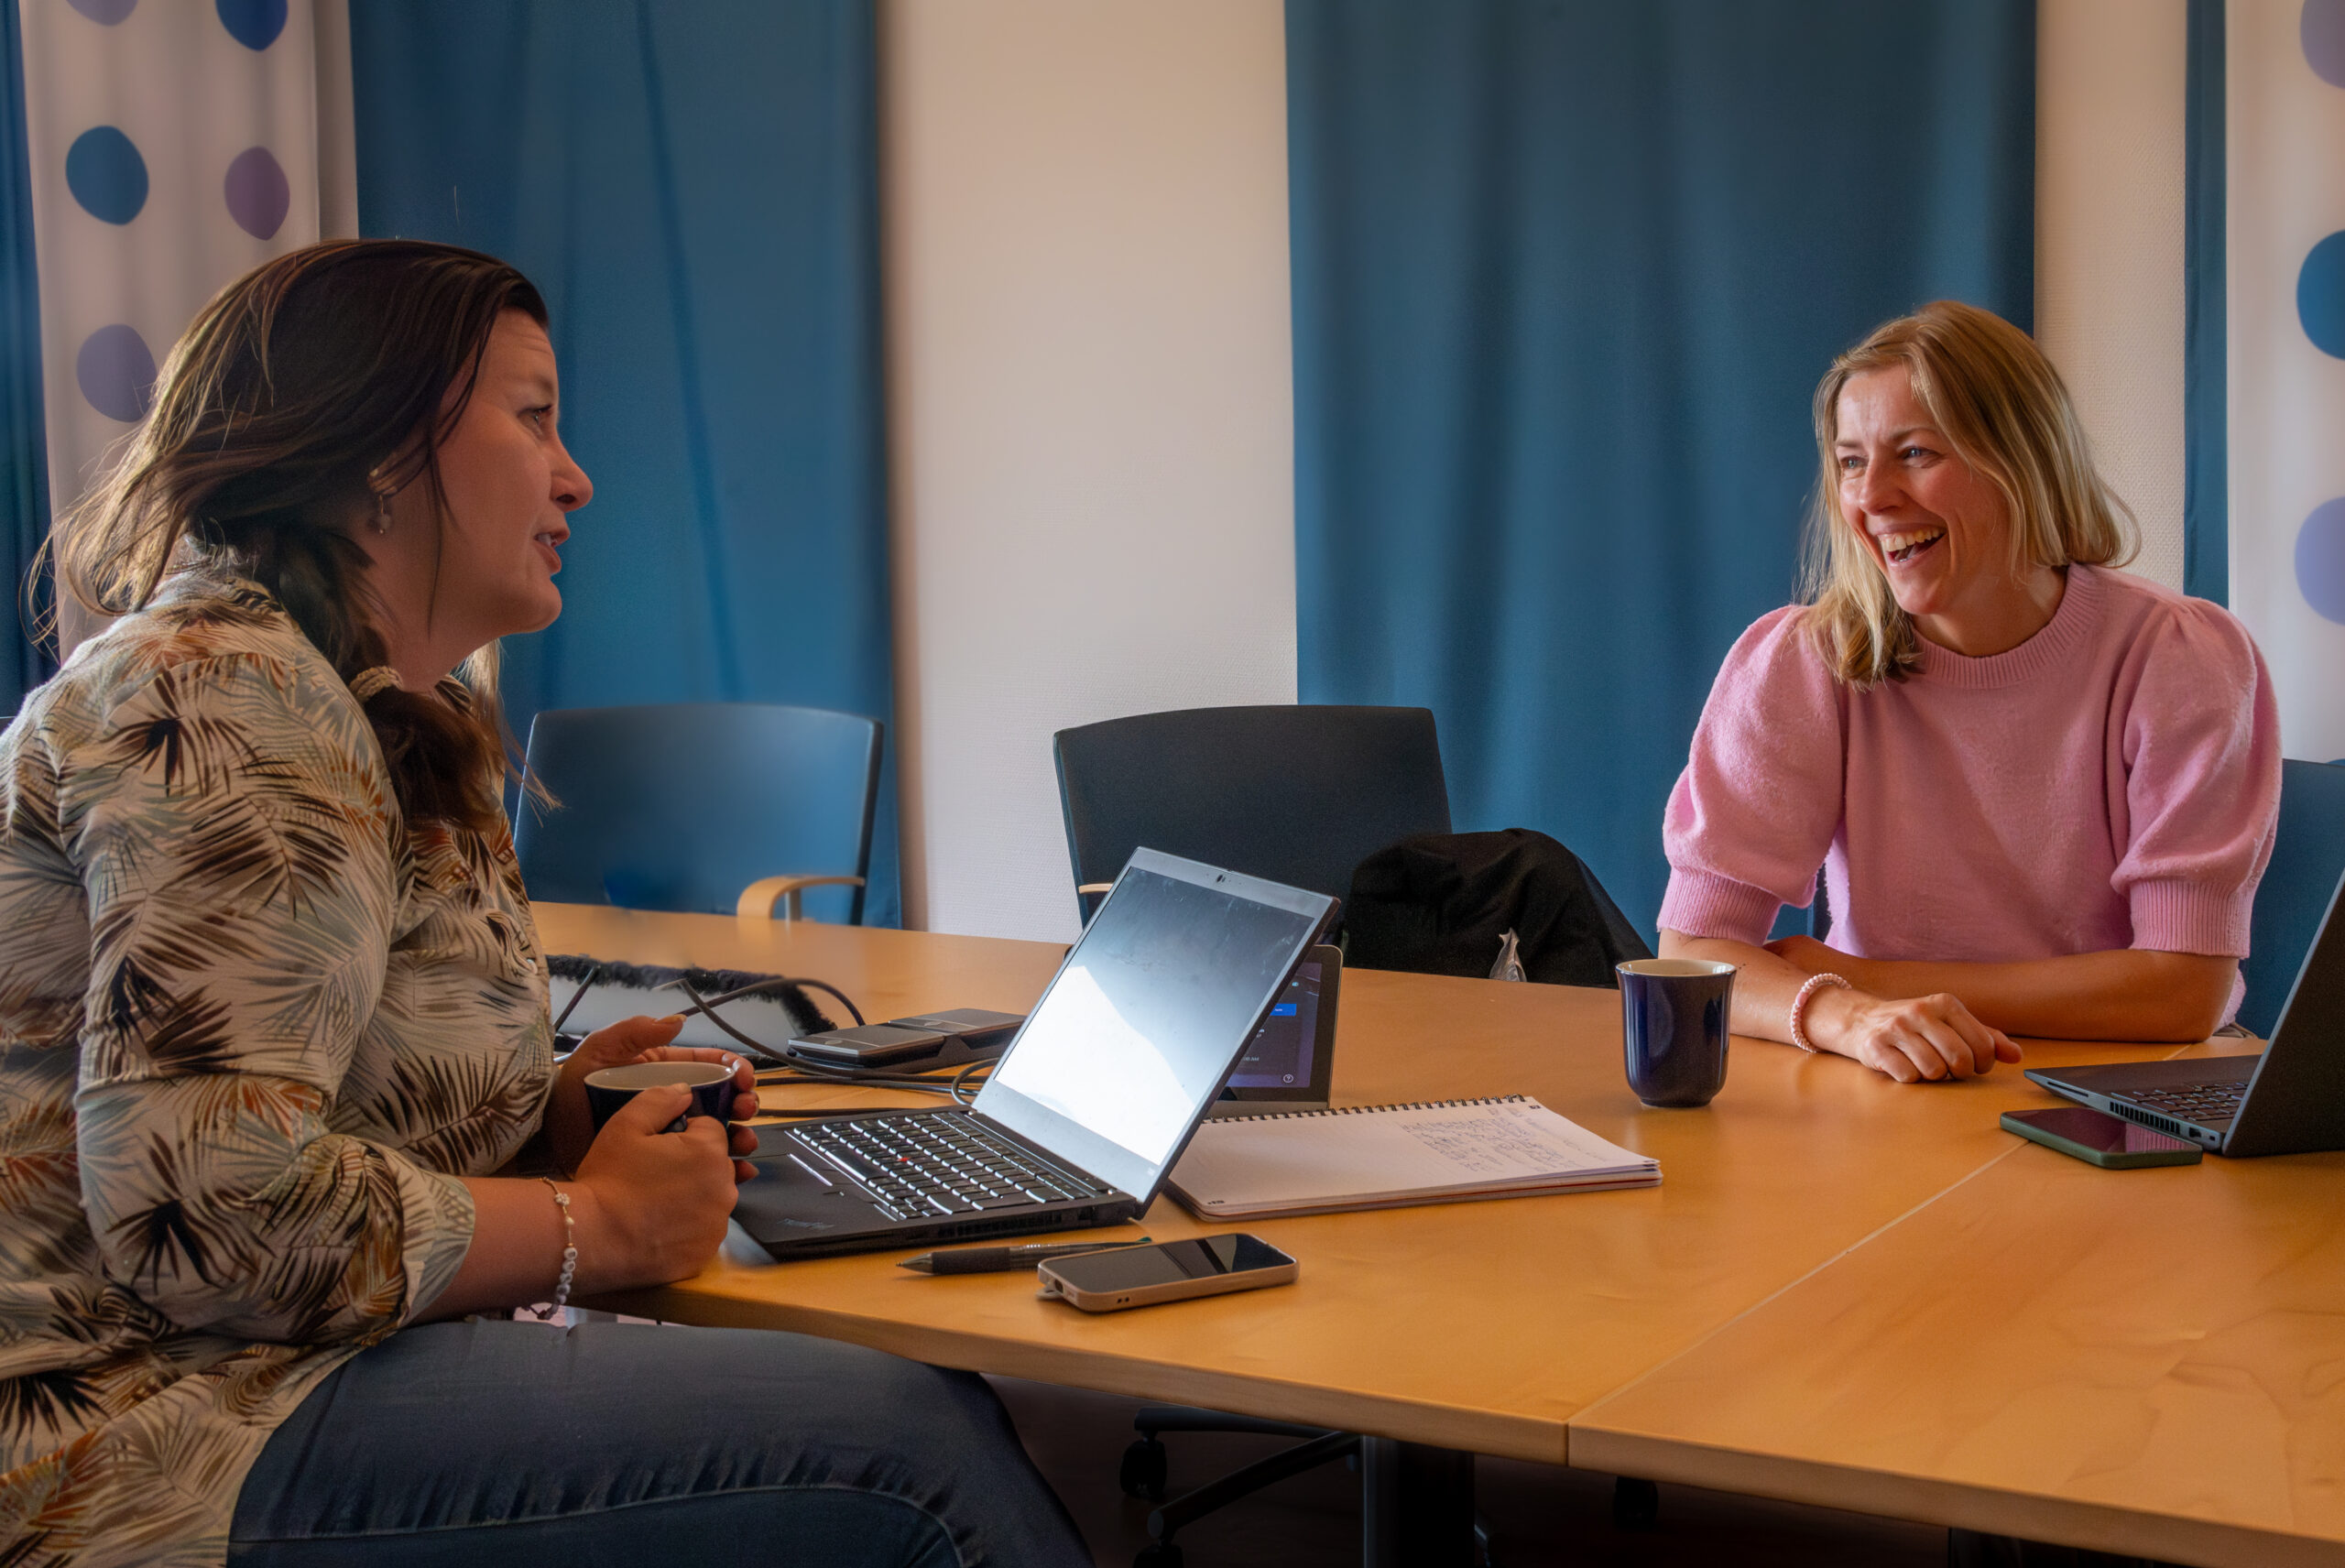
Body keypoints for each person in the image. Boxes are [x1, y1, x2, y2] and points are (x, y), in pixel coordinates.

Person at [0, 240, 1090, 1568]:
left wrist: (555, 1113)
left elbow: (304, 1099)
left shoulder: (376, 702)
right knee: (912, 1456)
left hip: (237, 1371)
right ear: (378, 459)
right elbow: (213, 1214)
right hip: (130, 1433)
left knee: (920, 1414)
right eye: (534, 418)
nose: (575, 476)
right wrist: (601, 1226)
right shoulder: (227, 699)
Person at [1658, 299, 2281, 1083]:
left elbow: (2184, 990)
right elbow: (1693, 956)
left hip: (2129, 1082)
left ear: (2022, 460)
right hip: (1891, 1075)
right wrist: (1841, 1011)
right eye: (1851, 462)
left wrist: (1875, 980)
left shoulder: (2180, 656)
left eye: (1914, 453)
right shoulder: (1802, 660)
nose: (1872, 498)